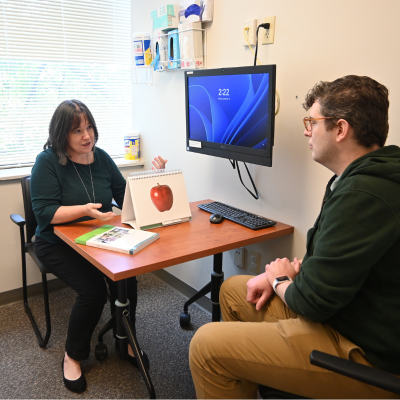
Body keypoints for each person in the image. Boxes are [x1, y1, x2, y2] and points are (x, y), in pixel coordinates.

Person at [189, 75, 400, 399]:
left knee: (205, 347)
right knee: (233, 290)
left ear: (341, 129)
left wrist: (279, 281)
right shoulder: (362, 179)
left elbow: (312, 302)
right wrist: (292, 271)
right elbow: (342, 260)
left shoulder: (366, 194)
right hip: (344, 316)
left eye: (312, 122)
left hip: (364, 354)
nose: (306, 131)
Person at [31, 99, 168, 394]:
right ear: (61, 135)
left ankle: (126, 340)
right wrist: (84, 210)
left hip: (100, 237)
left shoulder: (102, 158)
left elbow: (125, 198)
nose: (86, 136)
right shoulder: (47, 161)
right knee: (92, 291)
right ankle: (73, 354)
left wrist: (154, 181)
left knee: (127, 276)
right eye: (77, 130)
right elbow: (44, 214)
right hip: (55, 242)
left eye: (89, 127)